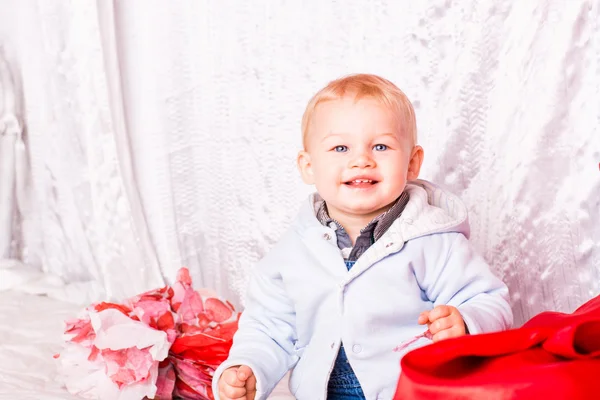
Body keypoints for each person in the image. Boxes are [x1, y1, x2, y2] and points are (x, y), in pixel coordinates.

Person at [212, 73, 513, 400]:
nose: (361, 160)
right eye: (340, 147)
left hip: (411, 391)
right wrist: (248, 368)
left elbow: (488, 299)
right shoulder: (292, 252)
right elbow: (269, 328)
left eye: (381, 146)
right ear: (308, 166)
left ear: (412, 163)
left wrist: (466, 321)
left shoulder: (430, 240)